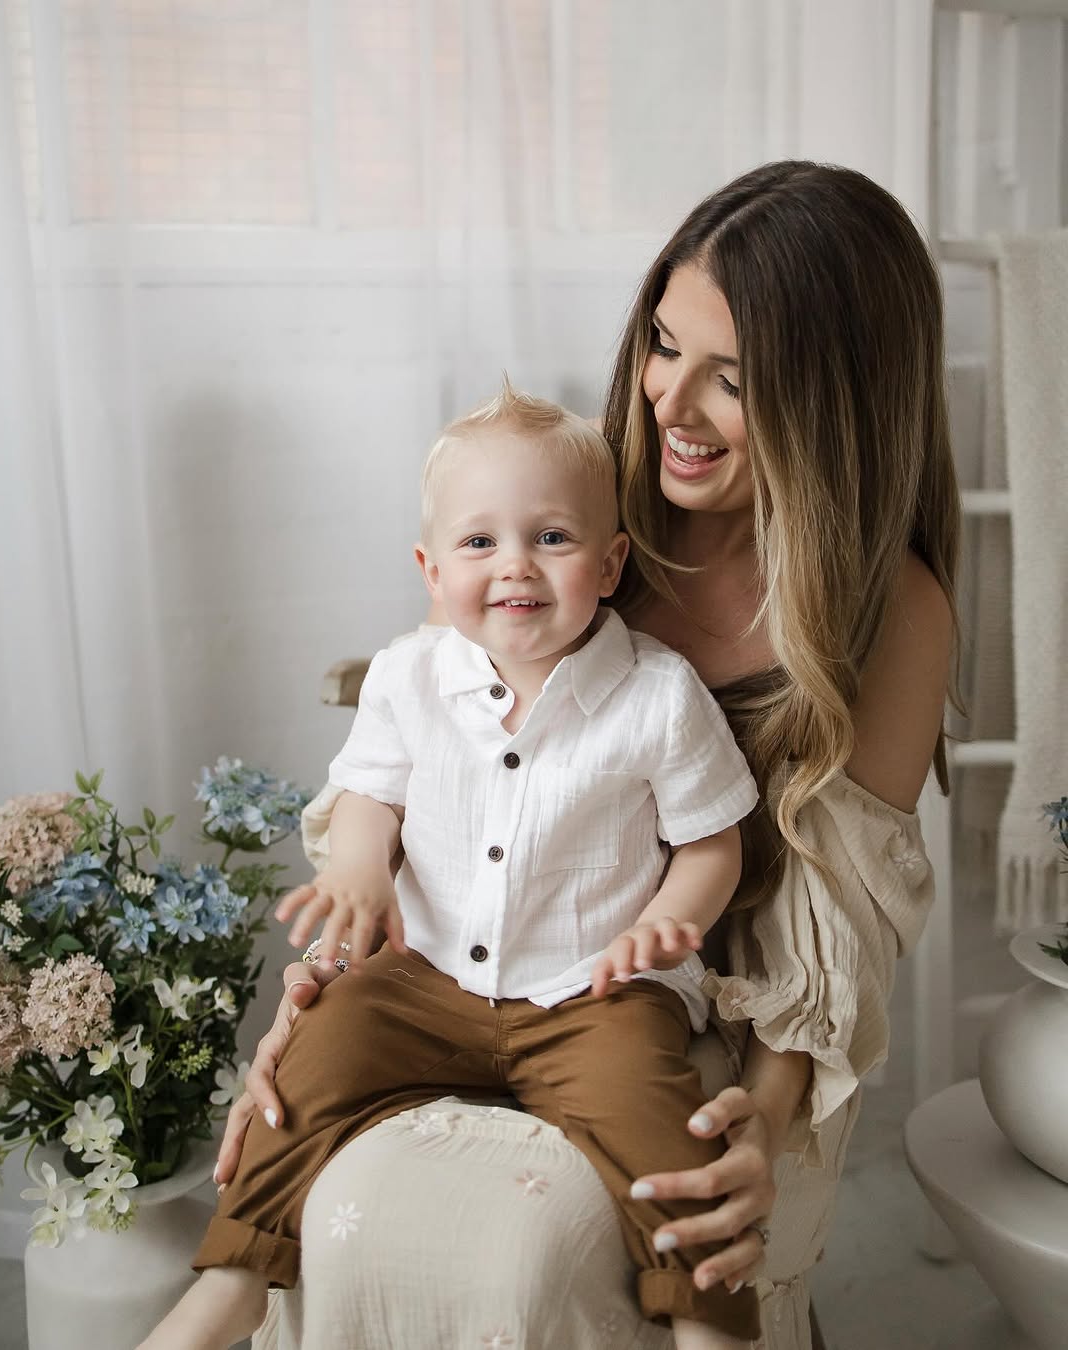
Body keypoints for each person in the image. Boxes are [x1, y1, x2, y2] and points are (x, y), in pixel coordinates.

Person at [215, 160, 957, 1350]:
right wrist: (323, 995)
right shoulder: (573, 507)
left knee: (544, 1248)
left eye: (733, 380)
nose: (669, 404)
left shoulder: (891, 611)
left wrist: (763, 1122)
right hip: (467, 973)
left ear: (836, 404)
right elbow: (426, 770)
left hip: (702, 1013)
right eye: (663, 344)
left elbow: (834, 919)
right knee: (342, 1200)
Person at [144, 385, 767, 1349]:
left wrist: (667, 919)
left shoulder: (656, 695)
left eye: (551, 538)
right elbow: (370, 796)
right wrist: (361, 868)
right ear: (432, 570)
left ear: (609, 564)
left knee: (663, 1123)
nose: (516, 564)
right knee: (312, 1061)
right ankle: (236, 1275)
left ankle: (707, 1318)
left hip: (593, 991)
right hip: (425, 979)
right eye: (480, 542)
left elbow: (713, 839)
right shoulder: (409, 675)